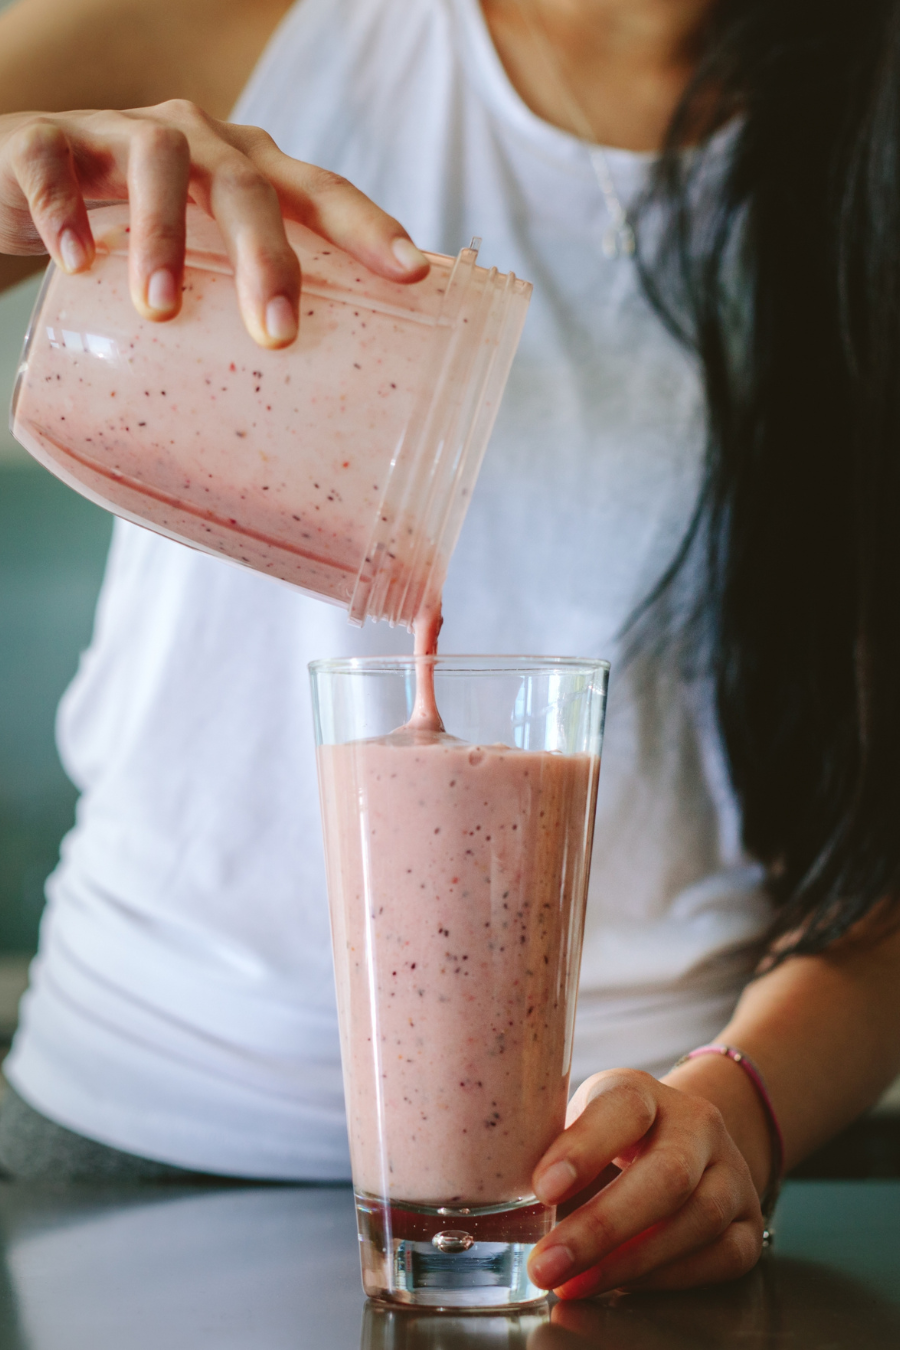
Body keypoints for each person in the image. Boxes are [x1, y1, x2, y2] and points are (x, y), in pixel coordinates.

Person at [0, 0, 899, 1301]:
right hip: (134, 1154)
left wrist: (739, 1113)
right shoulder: (244, 20)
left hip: (601, 1216)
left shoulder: (862, 152)